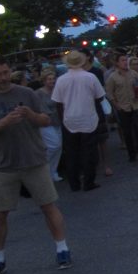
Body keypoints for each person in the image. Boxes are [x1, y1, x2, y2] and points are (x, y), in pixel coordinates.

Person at [0, 55, 72, 274]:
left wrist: (31, 115)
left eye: (6, 72)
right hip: (4, 165)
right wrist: (4, 122)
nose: (3, 78)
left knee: (49, 206)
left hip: (34, 160)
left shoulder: (26, 94)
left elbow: (46, 120)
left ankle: (62, 249)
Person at [51, 49, 106, 192]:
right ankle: (89, 182)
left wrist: (63, 118)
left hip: (69, 119)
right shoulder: (90, 77)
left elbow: (58, 102)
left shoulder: (61, 80)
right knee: (89, 152)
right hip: (88, 117)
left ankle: (74, 183)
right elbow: (100, 97)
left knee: (72, 153)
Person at [105, 52, 138, 162]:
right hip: (123, 108)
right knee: (127, 132)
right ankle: (132, 154)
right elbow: (109, 93)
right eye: (122, 60)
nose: (125, 62)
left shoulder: (133, 74)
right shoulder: (113, 77)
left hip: (135, 106)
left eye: (126, 60)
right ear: (117, 63)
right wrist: (116, 105)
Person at [36, 69, 63, 181]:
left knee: (59, 147)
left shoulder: (57, 90)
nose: (52, 81)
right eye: (49, 79)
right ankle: (43, 170)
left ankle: (53, 172)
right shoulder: (38, 93)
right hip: (46, 124)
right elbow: (41, 109)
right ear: (44, 81)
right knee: (54, 145)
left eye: (53, 78)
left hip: (58, 121)